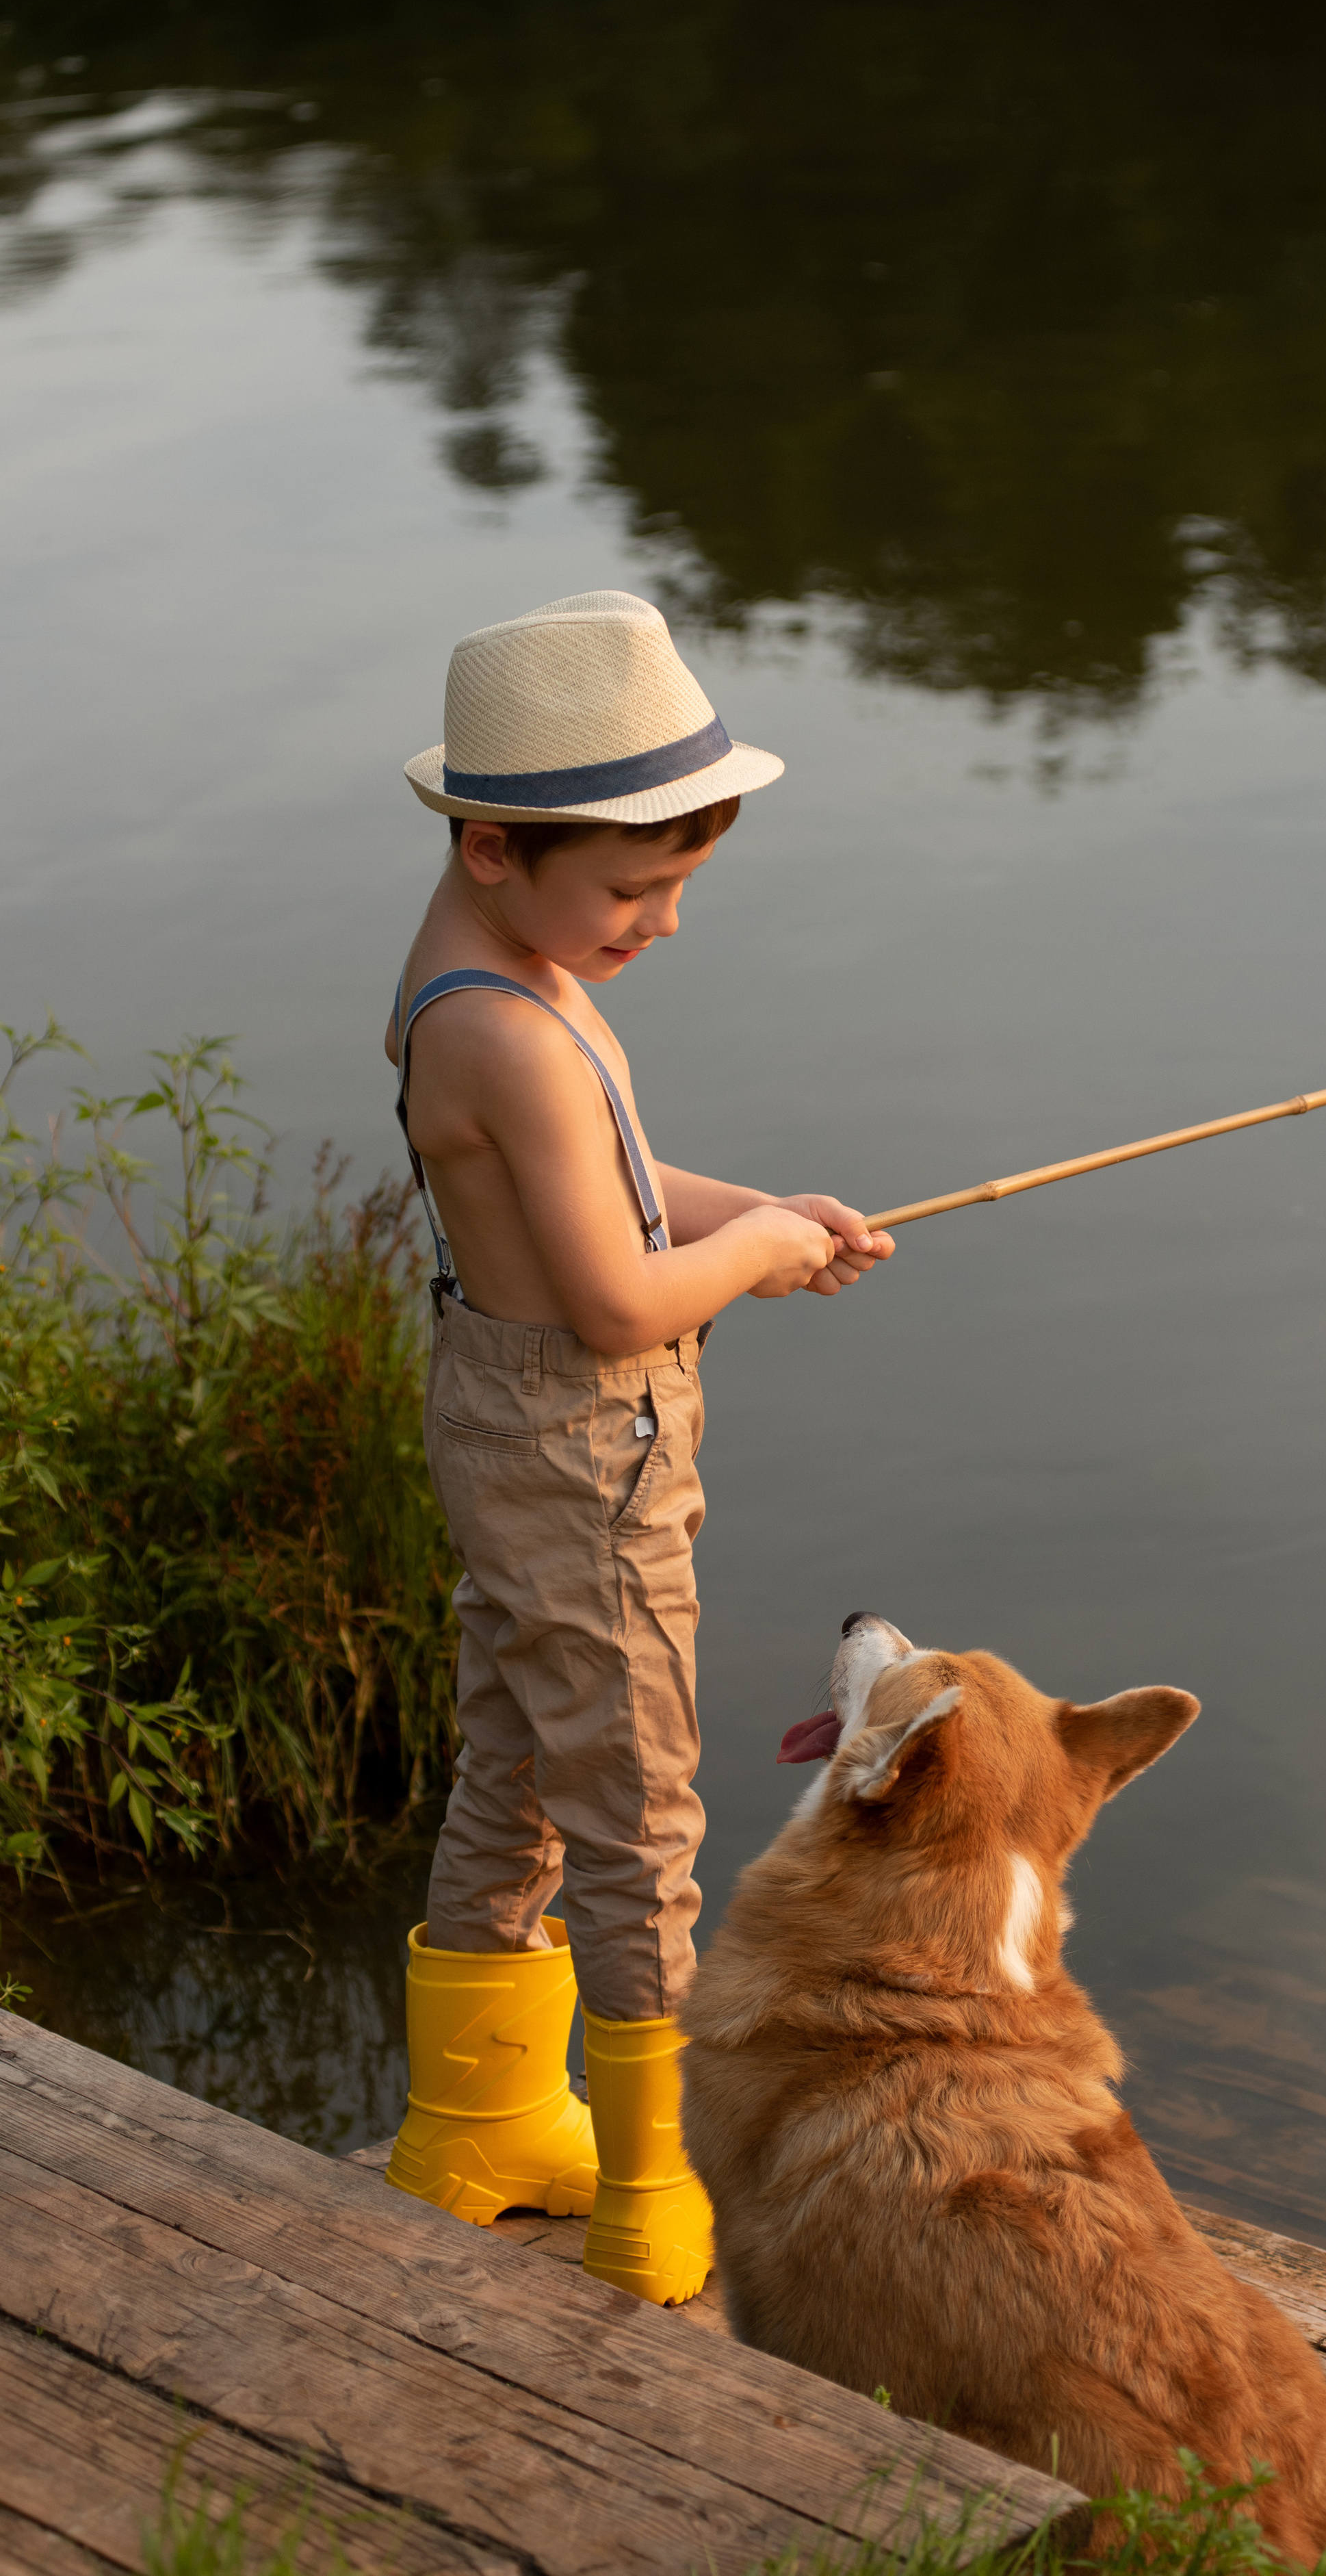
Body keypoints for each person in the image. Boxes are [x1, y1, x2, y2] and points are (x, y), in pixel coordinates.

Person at [382, 590, 893, 2304]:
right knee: (640, 1818)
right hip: (577, 1447)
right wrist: (742, 1265)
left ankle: (478, 2124)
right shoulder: (508, 1031)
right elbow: (614, 1300)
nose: (661, 922)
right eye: (632, 888)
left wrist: (764, 1212)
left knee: (523, 1764)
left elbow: (607, 1194)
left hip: (519, 1425)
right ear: (492, 842)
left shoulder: (499, 968)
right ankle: (655, 2187)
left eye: (681, 885)